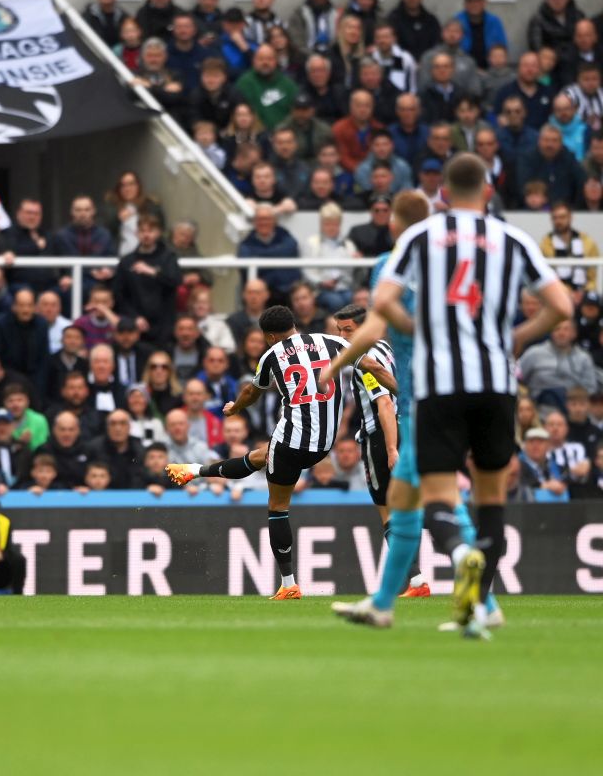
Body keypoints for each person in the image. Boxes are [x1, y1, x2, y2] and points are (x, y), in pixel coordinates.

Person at [333, 157, 573, 635]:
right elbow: (562, 306)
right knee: (480, 501)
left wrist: (404, 336)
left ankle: (473, 584)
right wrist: (519, 338)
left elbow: (380, 307)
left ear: (442, 192)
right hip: (497, 385)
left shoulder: (418, 243)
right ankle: (414, 604)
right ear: (488, 190)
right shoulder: (514, 238)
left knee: (438, 498)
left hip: (434, 390)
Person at [168, 306, 369, 600]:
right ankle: (195, 471)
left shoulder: (272, 355)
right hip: (324, 445)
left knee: (278, 507)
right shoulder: (333, 342)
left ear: (271, 336)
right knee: (262, 455)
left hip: (292, 441)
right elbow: (373, 366)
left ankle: (288, 584)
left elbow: (253, 391)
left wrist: (234, 408)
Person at [333, 303, 399, 533]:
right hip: (400, 428)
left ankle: (411, 569)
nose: (342, 336)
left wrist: (391, 449)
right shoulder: (384, 347)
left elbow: (384, 402)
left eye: (348, 330)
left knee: (384, 505)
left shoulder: (364, 362)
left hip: (379, 434)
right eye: (339, 329)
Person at [237, 205, 301, 302]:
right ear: (254, 221)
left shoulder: (284, 235)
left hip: (286, 291)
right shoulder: (247, 241)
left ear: (274, 220)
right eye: (260, 219)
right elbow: (244, 265)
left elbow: (290, 249)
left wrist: (259, 257)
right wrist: (278, 258)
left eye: (267, 219)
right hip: (262, 294)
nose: (263, 222)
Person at [541, 203, 600, 300]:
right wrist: (566, 292)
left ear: (570, 217)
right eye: (555, 218)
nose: (558, 221)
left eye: (562, 217)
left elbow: (592, 275)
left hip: (584, 294)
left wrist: (583, 292)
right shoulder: (545, 244)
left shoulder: (587, 242)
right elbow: (545, 275)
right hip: (557, 294)